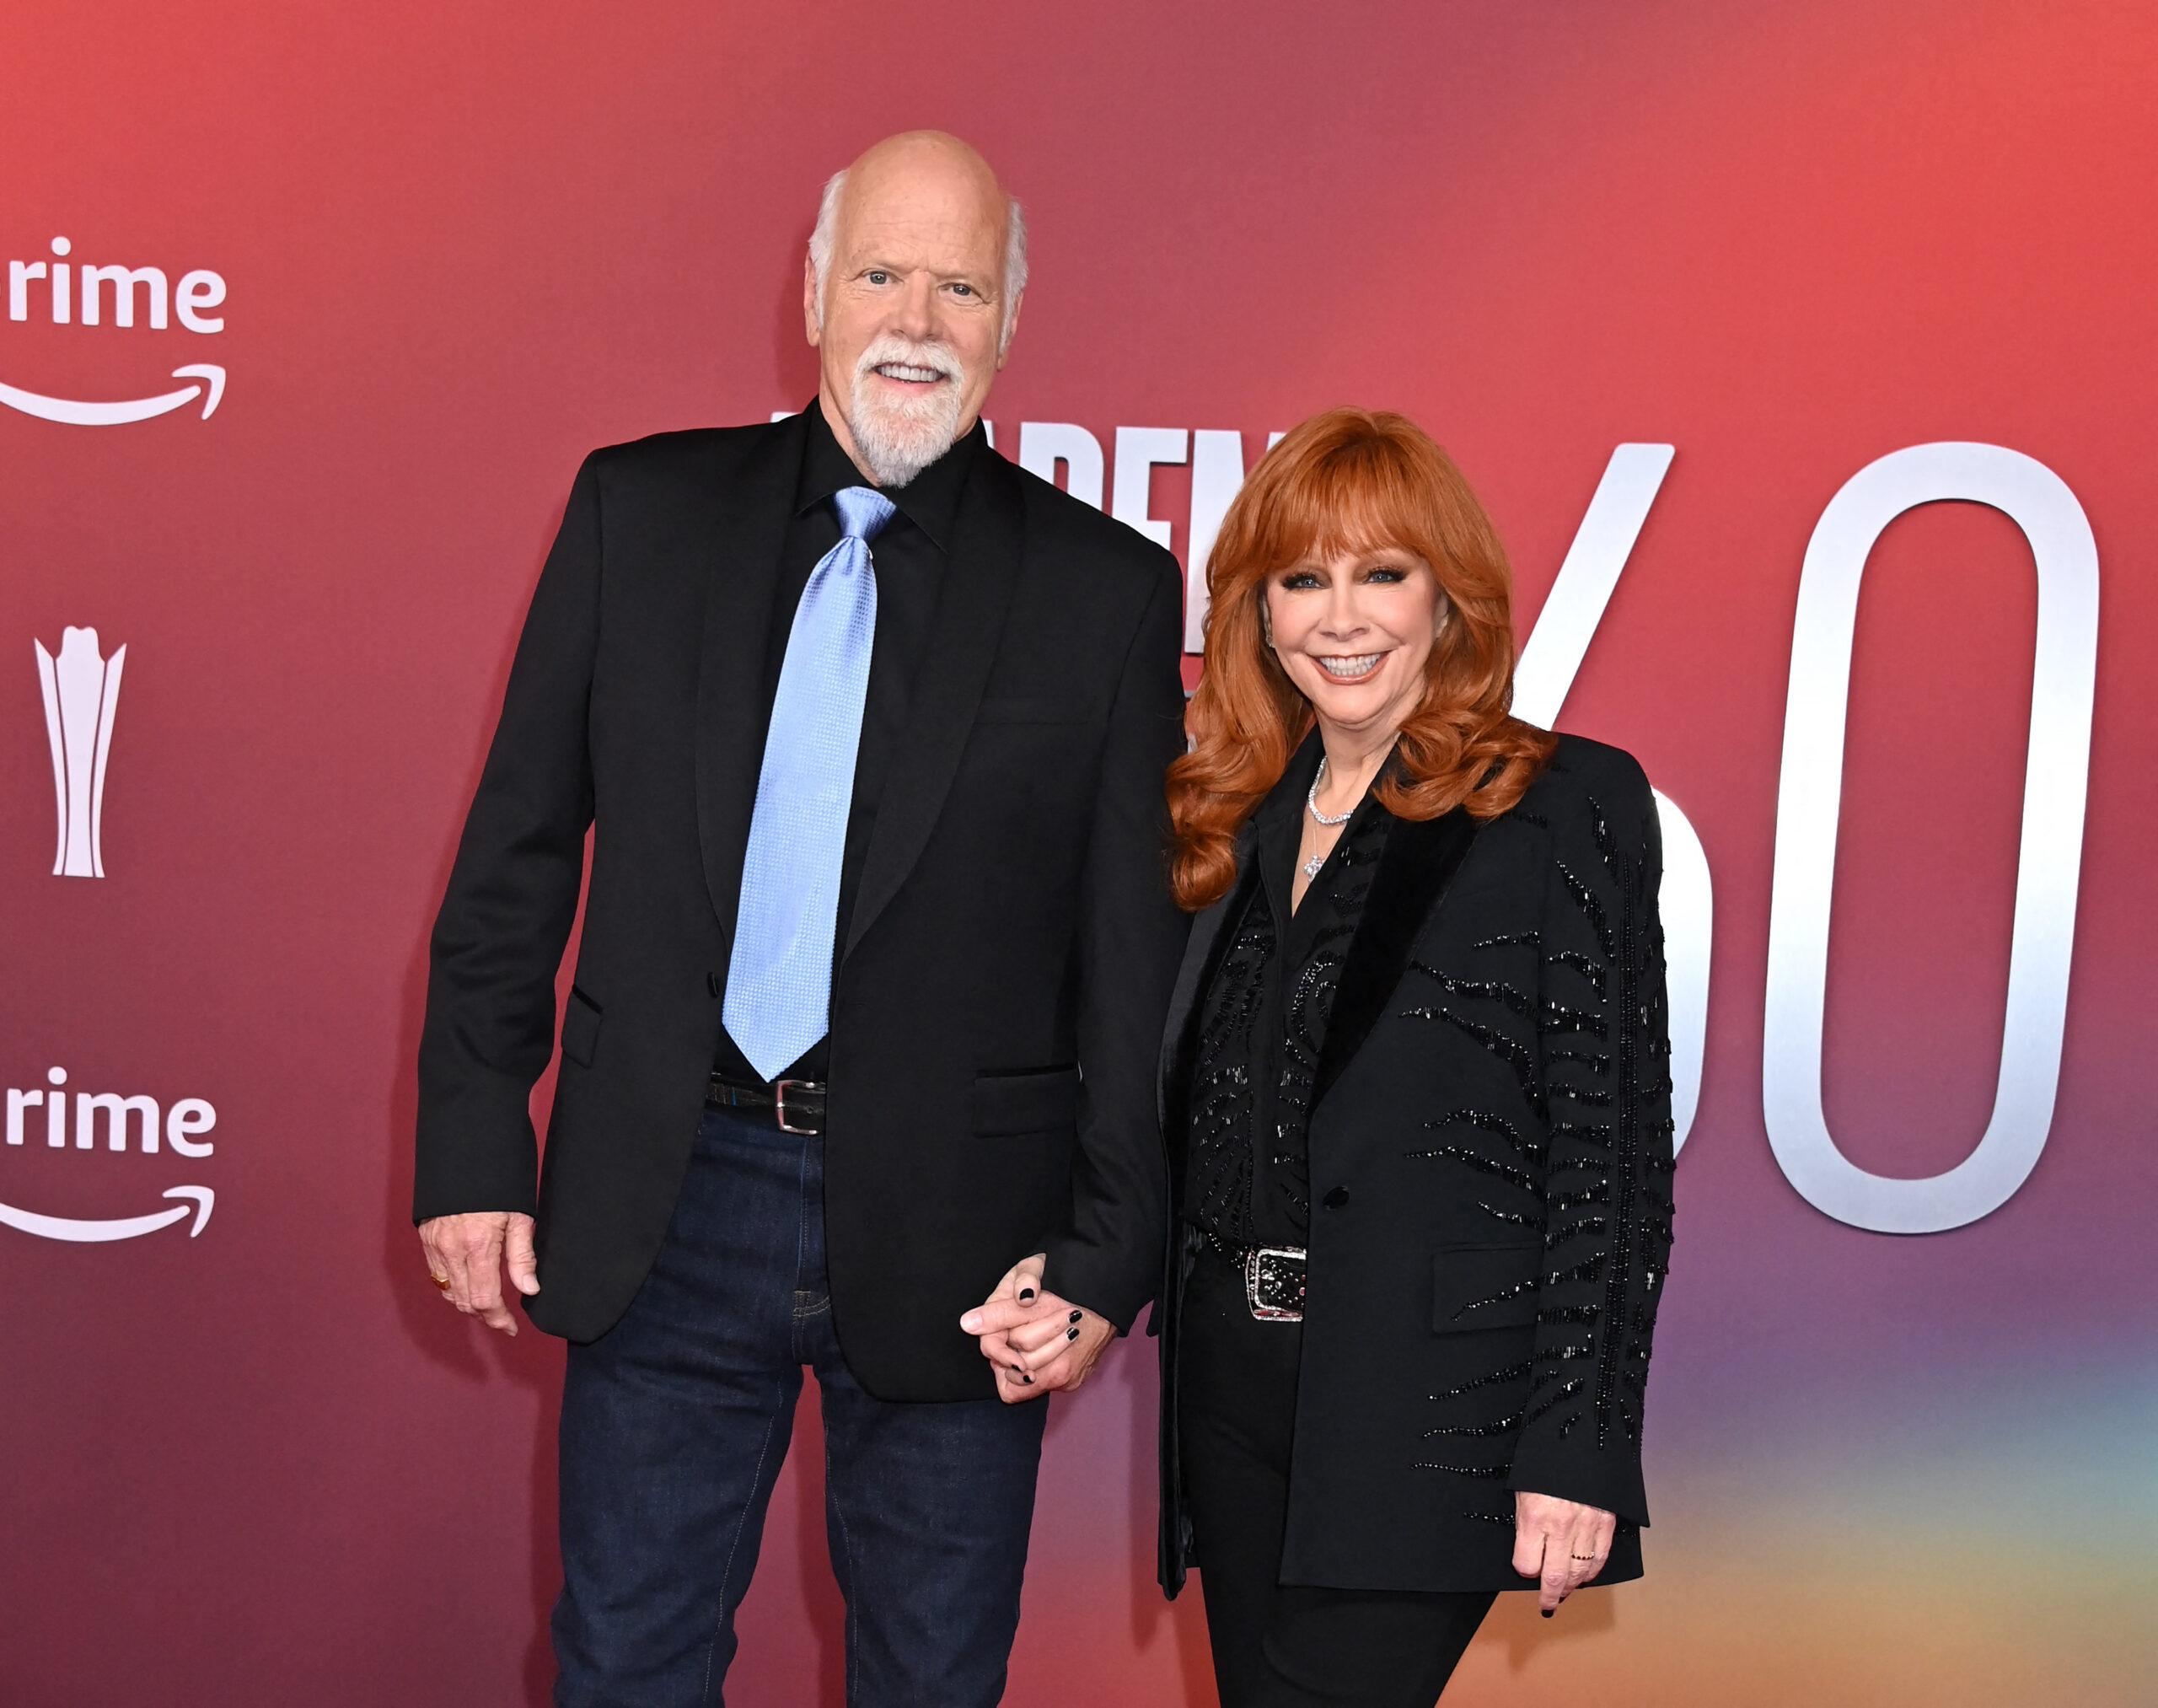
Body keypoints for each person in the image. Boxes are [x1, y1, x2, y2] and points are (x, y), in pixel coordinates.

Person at [412, 131, 1187, 1705]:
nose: (919, 316)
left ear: (1008, 321)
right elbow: (515, 857)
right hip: (666, 1192)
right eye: (885, 273)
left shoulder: (1105, 591)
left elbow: (1134, 966)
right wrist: (477, 1142)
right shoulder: (640, 511)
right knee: (626, 1665)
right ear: (817, 292)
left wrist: (1109, 1253)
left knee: (932, 1679)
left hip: (972, 1248)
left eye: (961, 284)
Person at [1152, 408, 1676, 1707]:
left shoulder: (1557, 803)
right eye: (1302, 578)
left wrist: (1581, 1442)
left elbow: (1610, 1153)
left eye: (1381, 572)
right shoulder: (1230, 817)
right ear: (1257, 613)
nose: (1342, 615)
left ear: (1450, 597)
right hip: (1232, 1397)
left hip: (1426, 1408)